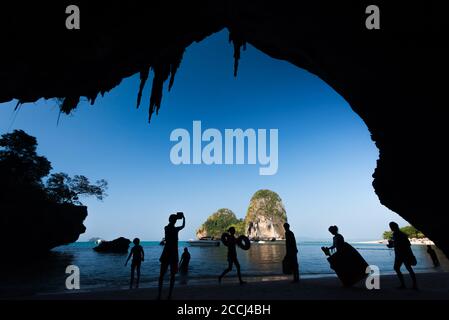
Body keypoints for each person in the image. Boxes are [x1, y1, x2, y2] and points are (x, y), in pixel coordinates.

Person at [158, 212, 185, 300]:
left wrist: (176, 217)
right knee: (172, 276)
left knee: (161, 275)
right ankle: (169, 295)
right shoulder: (175, 229)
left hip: (166, 252)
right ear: (176, 221)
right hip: (174, 253)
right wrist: (183, 217)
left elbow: (172, 224)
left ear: (169, 220)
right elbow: (183, 226)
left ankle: (159, 294)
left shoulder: (166, 228)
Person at [387, 222, 418, 289]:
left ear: (394, 227)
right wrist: (392, 245)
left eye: (391, 226)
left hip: (402, 255)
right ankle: (413, 285)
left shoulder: (397, 234)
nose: (390, 228)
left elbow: (402, 244)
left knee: (398, 268)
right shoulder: (401, 234)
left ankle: (405, 285)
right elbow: (407, 244)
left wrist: (391, 245)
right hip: (402, 254)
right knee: (408, 269)